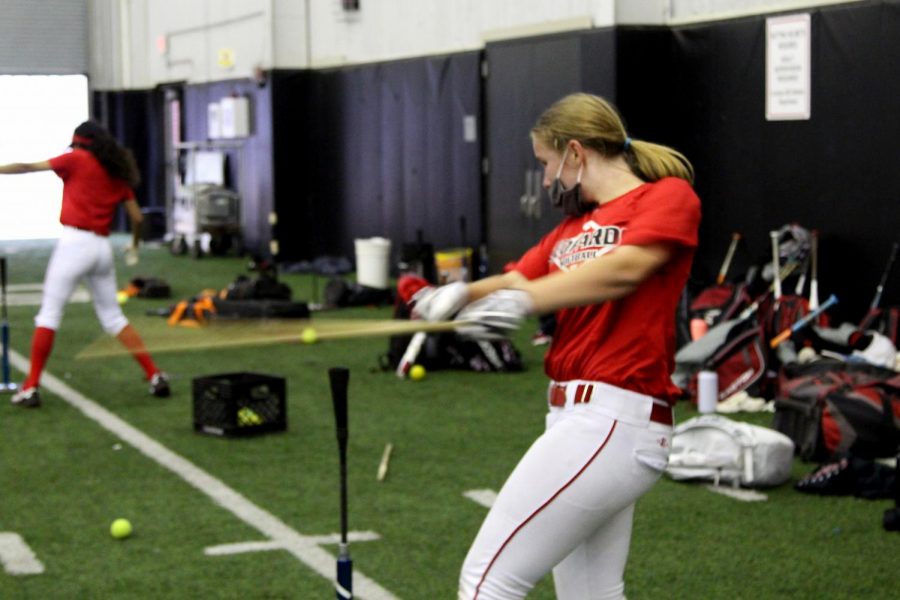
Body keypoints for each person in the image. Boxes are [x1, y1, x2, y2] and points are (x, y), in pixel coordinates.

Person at [412, 93, 701, 599]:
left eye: (545, 164)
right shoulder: (571, 228)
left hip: (611, 419)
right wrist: (456, 295)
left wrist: (527, 301)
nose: (546, 181)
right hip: (580, 420)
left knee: (486, 582)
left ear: (575, 153)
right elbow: (519, 276)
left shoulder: (667, 197)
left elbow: (624, 271)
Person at [0, 120, 170, 408]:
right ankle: (154, 374)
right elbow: (138, 218)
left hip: (74, 244)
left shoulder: (75, 159)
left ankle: (30, 387)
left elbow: (27, 167)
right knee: (114, 318)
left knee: (48, 316)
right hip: (102, 248)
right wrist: (135, 245)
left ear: (78, 141)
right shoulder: (116, 169)